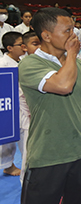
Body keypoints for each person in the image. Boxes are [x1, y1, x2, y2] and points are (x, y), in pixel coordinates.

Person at [18, 7, 81, 204]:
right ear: (46, 35)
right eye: (67, 31)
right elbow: (63, 85)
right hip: (47, 158)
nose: (73, 35)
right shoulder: (30, 64)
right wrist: (73, 54)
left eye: (73, 29)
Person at [0, 31, 24, 177]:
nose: (23, 46)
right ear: (10, 48)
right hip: (7, 104)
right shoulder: (3, 64)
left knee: (15, 137)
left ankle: (9, 165)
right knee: (6, 139)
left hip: (18, 103)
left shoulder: (19, 61)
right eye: (20, 44)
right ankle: (8, 165)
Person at [18, 31, 41, 184]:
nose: (39, 47)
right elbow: (22, 96)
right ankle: (26, 183)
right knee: (29, 152)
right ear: (24, 47)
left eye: (41, 43)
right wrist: (32, 113)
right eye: (35, 44)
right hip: (30, 116)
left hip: (44, 116)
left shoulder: (43, 64)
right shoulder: (22, 66)